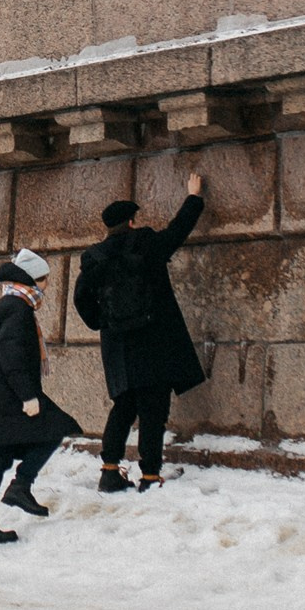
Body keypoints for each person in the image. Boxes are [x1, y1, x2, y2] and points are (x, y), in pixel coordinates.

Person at [75, 172, 209, 493]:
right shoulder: (146, 244)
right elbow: (178, 232)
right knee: (153, 410)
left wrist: (101, 322)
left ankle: (109, 471)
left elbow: (81, 299)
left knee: (123, 406)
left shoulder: (94, 257)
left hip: (118, 345)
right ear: (132, 222)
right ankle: (149, 475)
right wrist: (194, 197)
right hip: (153, 340)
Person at [0, 249, 81, 546]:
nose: (48, 285)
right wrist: (28, 396)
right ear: (34, 280)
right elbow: (11, 356)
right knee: (55, 428)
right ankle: (21, 485)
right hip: (7, 396)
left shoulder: (8, 303)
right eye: (45, 279)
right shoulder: (17, 307)